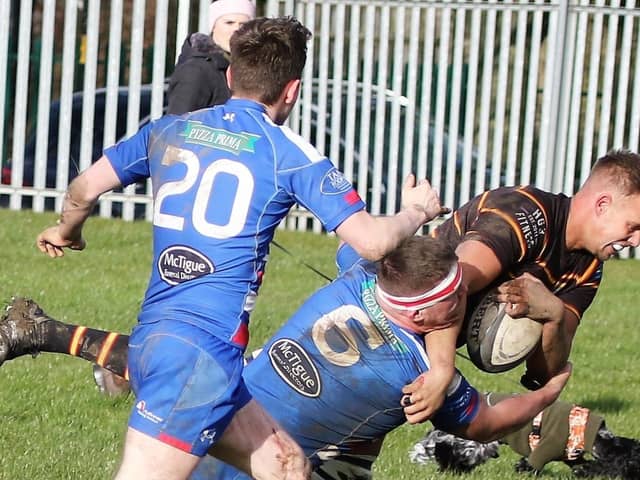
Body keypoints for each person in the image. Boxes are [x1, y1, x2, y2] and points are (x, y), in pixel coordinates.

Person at [34, 16, 446, 480]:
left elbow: (84, 188)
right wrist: (416, 213)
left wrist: (67, 230)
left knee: (289, 468)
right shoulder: (289, 153)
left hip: (172, 349)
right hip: (197, 359)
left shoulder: (169, 129)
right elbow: (371, 243)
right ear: (292, 90)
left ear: (230, 77)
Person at [0, 236, 572, 479]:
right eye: (456, 300)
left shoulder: (359, 274)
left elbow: (374, 245)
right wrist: (548, 390)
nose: (464, 300)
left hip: (214, 425)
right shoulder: (412, 376)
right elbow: (487, 422)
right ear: (421, 316)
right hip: (268, 464)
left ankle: (42, 331)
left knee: (172, 368)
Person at [402, 149, 640, 425]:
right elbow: (447, 287)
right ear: (602, 205)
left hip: (425, 349)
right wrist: (442, 372)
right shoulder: (525, 214)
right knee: (479, 425)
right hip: (385, 324)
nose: (635, 241)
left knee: (481, 425)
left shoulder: (589, 268)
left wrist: (553, 316)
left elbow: (543, 372)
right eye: (633, 227)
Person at [167, 0, 255, 115]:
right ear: (213, 27)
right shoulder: (196, 70)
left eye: (243, 25)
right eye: (229, 23)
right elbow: (177, 124)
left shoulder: (244, 69)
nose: (236, 30)